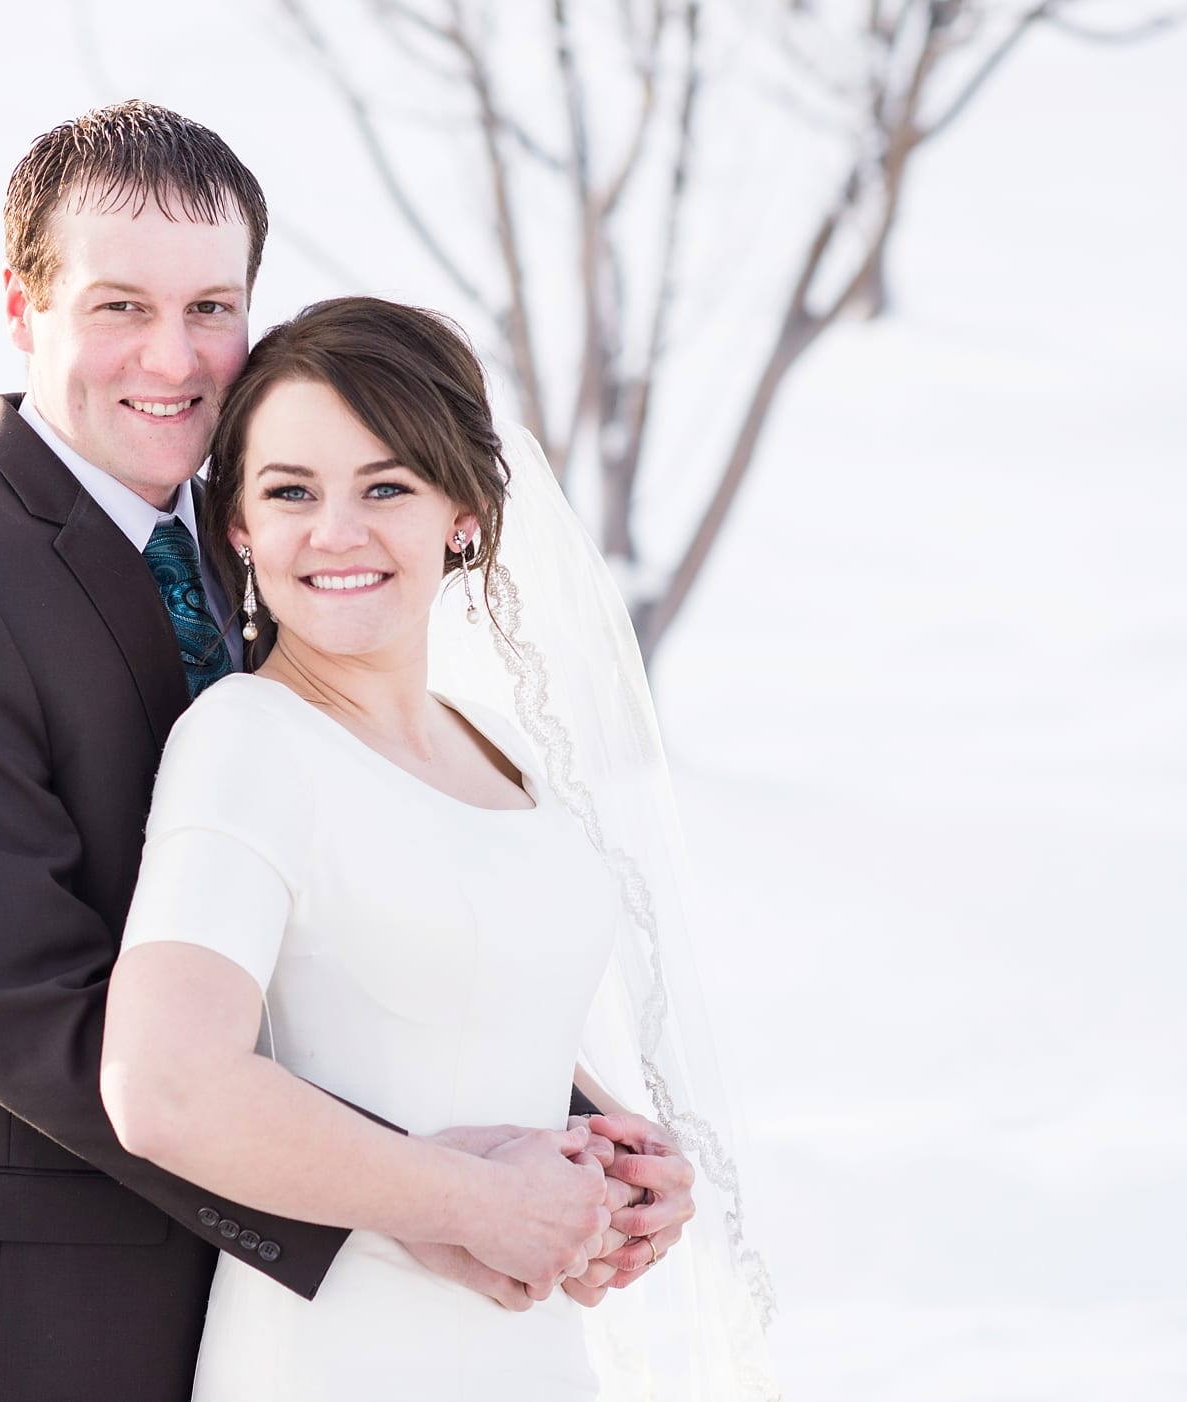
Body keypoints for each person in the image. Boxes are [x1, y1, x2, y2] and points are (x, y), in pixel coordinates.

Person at [0, 101, 694, 1402]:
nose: (173, 356)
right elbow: (31, 1015)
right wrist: (432, 1197)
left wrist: (575, 1141)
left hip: (258, 1324)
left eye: (212, 305)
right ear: (21, 305)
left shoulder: (261, 543)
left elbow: (333, 912)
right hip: (27, 1324)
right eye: (119, 307)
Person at [100, 296, 774, 1399]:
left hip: (526, 1350)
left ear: (461, 508)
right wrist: (474, 1202)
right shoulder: (246, 741)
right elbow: (166, 1085)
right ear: (238, 529)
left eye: (386, 487)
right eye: (289, 493)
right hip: (340, 1351)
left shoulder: (501, 749)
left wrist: (613, 1155)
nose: (336, 532)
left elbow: (458, 1007)